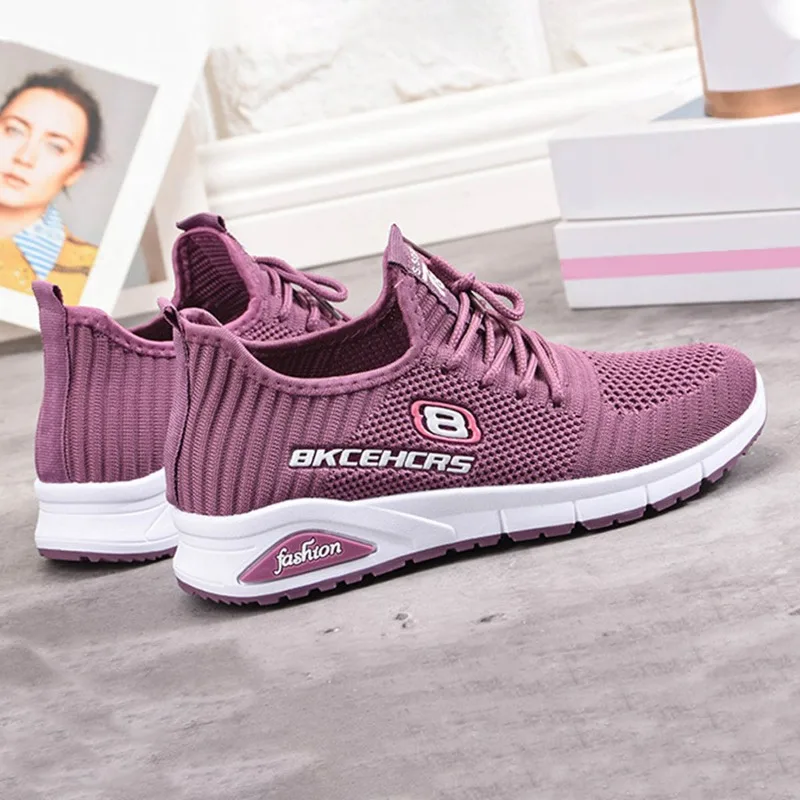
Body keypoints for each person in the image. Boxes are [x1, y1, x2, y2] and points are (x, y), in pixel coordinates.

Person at [0, 69, 102, 305]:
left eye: (55, 146)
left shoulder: (94, 274)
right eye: (14, 130)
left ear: (75, 172)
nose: (25, 157)